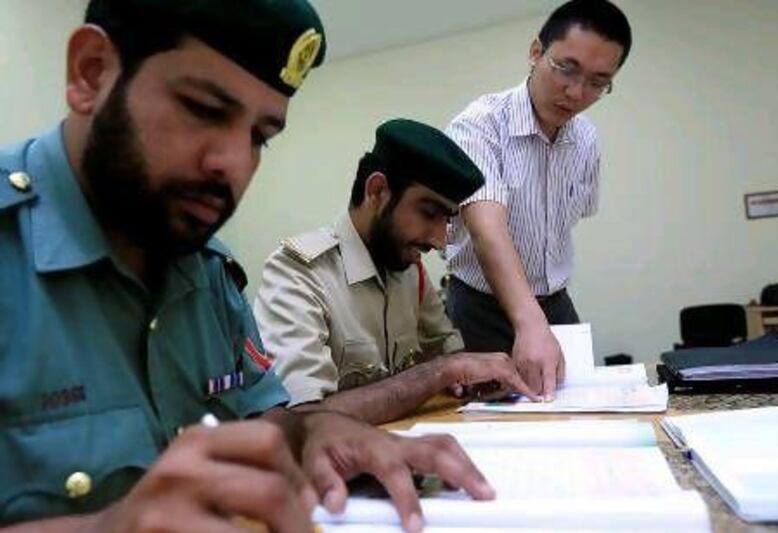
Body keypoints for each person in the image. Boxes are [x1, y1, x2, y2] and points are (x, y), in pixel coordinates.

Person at [0, 2, 494, 532]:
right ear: (91, 72)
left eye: (260, 137)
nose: (234, 165)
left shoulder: (207, 264)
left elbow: (264, 418)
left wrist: (313, 435)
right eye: (204, 109)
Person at [253, 119, 534, 425]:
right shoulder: (298, 274)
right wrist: (442, 371)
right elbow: (300, 421)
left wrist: (480, 378)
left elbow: (452, 358)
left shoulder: (410, 270)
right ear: (377, 191)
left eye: (447, 219)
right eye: (429, 212)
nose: (439, 240)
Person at [444, 0, 632, 401]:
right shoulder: (479, 125)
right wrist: (529, 322)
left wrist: (542, 319)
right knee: (489, 430)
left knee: (580, 415)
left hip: (556, 307)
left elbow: (570, 220)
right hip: (479, 308)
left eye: (598, 82)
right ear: (535, 52)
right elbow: (486, 229)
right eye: (566, 68)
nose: (576, 92)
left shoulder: (586, 140)